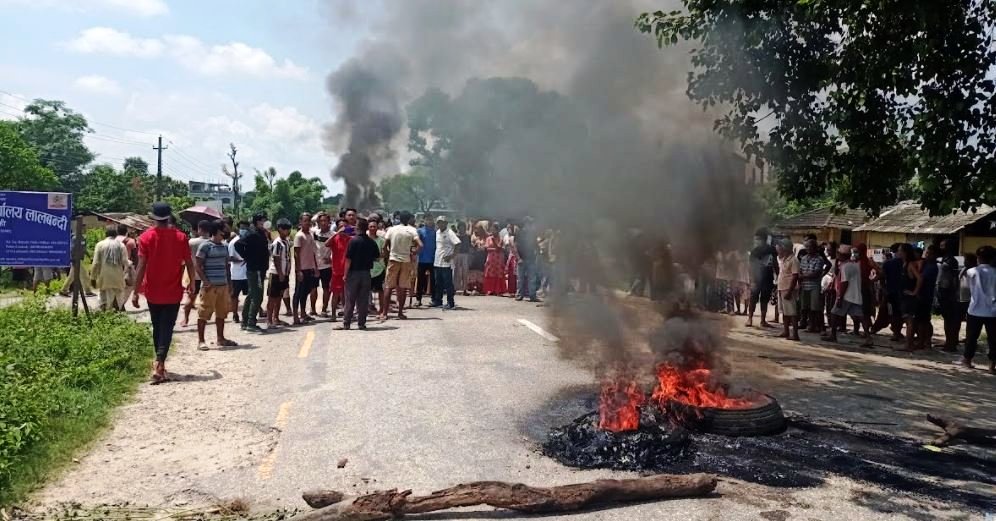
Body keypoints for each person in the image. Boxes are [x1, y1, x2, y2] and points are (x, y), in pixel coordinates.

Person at [132, 202, 196, 384]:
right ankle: (160, 362)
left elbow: (141, 266)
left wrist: (135, 292)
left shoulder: (145, 238)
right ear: (169, 216)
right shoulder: (181, 237)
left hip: (153, 291)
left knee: (157, 326)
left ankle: (159, 362)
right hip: (173, 291)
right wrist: (191, 283)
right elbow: (190, 263)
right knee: (167, 327)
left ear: (153, 217)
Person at [194, 220, 236, 350]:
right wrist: (206, 281)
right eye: (224, 228)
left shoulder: (224, 246)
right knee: (204, 313)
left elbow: (226, 266)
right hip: (210, 287)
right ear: (218, 230)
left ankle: (220, 338)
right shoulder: (205, 246)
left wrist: (229, 284)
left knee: (221, 313)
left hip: (223, 285)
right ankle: (201, 341)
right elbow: (198, 266)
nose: (227, 231)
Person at [337, 218, 381, 330]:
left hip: (353, 273)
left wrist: (345, 274)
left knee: (350, 299)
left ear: (358, 228)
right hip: (366, 274)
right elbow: (377, 257)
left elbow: (348, 260)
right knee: (363, 300)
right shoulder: (371, 242)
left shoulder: (353, 241)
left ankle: (347, 323)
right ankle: (361, 323)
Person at [825, 245, 873, 347]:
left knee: (834, 313)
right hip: (856, 295)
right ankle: (868, 337)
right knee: (860, 316)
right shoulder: (855, 264)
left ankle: (833, 335)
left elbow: (844, 283)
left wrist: (840, 297)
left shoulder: (845, 266)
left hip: (847, 295)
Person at [382, 211, 422, 320]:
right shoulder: (412, 230)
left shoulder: (392, 229)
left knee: (389, 286)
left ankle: (384, 313)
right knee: (402, 287)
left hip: (393, 259)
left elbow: (385, 246)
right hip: (406, 260)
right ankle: (400, 312)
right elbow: (420, 245)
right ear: (409, 219)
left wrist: (387, 255)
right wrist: (413, 253)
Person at [962, 246, 996, 372]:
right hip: (993, 310)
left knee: (971, 337)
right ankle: (992, 364)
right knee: (993, 339)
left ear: (978, 258)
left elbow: (965, 290)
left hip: (975, 309)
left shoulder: (971, 272)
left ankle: (967, 360)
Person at [236, 213, 269, 333]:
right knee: (257, 296)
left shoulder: (261, 233)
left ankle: (245, 322)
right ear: (256, 222)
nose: (264, 223)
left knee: (251, 295)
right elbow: (238, 244)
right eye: (262, 221)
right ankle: (251, 323)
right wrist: (247, 257)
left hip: (259, 268)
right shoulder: (252, 233)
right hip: (256, 269)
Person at [90, 224, 129, 311]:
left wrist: (93, 277)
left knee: (104, 299)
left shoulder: (100, 245)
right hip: (118, 277)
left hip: (104, 277)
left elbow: (95, 263)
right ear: (116, 235)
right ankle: (118, 315)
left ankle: (106, 316)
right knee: (119, 298)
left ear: (106, 234)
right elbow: (125, 262)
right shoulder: (121, 245)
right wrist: (124, 274)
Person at [181, 220, 211, 327]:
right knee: (209, 299)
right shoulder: (212, 242)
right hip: (209, 276)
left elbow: (184, 259)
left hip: (195, 275)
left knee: (191, 298)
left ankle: (186, 319)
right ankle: (205, 319)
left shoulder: (191, 242)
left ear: (199, 229)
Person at [292, 212, 319, 325]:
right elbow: (296, 254)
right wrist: (298, 271)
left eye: (309, 221)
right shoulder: (299, 236)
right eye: (305, 221)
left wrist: (315, 267)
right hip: (302, 268)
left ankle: (303, 313)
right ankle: (295, 316)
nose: (307, 223)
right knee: (298, 292)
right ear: (300, 222)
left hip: (310, 268)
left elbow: (312, 252)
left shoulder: (310, 235)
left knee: (305, 292)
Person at [875, 243, 906, 341]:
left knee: (893, 313)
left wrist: (884, 289)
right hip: (902, 292)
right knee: (899, 313)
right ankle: (896, 331)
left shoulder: (889, 263)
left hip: (891, 292)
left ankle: (895, 332)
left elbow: (881, 277)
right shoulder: (905, 263)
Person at [746, 230, 777, 328]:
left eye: (758, 239)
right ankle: (749, 318)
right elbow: (750, 266)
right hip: (756, 278)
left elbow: (775, 263)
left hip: (768, 278)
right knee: (753, 298)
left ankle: (763, 320)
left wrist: (778, 275)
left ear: (763, 239)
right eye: (756, 239)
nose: (756, 241)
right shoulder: (754, 251)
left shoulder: (772, 249)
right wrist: (751, 279)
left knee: (765, 299)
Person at [266, 219, 293, 328]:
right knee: (272, 298)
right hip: (276, 273)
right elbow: (276, 259)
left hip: (284, 273)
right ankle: (269, 320)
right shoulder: (277, 242)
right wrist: (281, 273)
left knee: (279, 297)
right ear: (280, 229)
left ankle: (276, 318)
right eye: (285, 229)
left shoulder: (285, 241)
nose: (288, 231)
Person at [431, 215, 461, 309]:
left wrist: (452, 256)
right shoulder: (437, 232)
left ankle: (450, 302)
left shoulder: (450, 233)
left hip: (446, 262)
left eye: (442, 222)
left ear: (446, 223)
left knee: (448, 283)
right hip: (437, 261)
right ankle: (438, 301)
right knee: (438, 283)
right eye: (439, 222)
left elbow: (458, 244)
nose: (440, 224)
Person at [937, 239, 962, 352]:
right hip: (943, 291)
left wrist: (954, 293)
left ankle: (951, 344)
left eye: (943, 246)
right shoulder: (944, 259)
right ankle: (948, 342)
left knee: (950, 320)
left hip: (948, 293)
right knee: (947, 319)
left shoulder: (952, 261)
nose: (941, 247)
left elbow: (954, 278)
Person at [798, 239, 828, 333]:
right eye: (807, 247)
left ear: (815, 248)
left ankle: (816, 326)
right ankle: (808, 324)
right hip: (804, 286)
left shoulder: (819, 259)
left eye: (810, 247)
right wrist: (803, 276)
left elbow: (815, 273)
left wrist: (803, 276)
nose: (808, 249)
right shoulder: (803, 258)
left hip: (814, 286)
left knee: (815, 308)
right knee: (805, 307)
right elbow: (801, 271)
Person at [325, 218, 352, 321]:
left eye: (345, 226)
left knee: (346, 294)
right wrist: (336, 234)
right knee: (335, 293)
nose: (343, 228)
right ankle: (333, 314)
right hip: (336, 271)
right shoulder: (335, 239)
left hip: (347, 271)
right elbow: (326, 244)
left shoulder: (350, 239)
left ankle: (346, 313)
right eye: (341, 226)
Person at [915, 245, 940, 349]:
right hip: (925, 295)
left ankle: (922, 342)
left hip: (925, 295)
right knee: (924, 320)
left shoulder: (932, 267)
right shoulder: (927, 265)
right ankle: (926, 341)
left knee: (922, 321)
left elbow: (922, 278)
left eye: (929, 253)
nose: (926, 255)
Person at [776, 238, 800, 341]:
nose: (779, 249)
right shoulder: (783, 259)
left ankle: (795, 334)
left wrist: (790, 291)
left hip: (788, 289)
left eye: (781, 247)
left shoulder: (794, 260)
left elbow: (795, 276)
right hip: (782, 287)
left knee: (792, 312)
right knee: (785, 312)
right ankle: (786, 331)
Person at [514, 217, 541, 302]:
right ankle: (519, 295)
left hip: (531, 258)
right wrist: (518, 258)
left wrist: (536, 256)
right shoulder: (519, 234)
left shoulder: (533, 235)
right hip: (522, 258)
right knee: (520, 279)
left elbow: (536, 247)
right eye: (530, 224)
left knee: (532, 278)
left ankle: (532, 295)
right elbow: (515, 246)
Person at [314, 212, 335, 317]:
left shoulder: (333, 235)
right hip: (314, 265)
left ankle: (324, 309)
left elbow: (337, 251)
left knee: (326, 288)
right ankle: (313, 310)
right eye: (321, 221)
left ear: (329, 222)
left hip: (327, 266)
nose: (323, 223)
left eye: (325, 221)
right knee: (313, 288)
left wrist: (331, 260)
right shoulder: (315, 233)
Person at [228, 220, 249, 324]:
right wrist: (241, 260)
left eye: (246, 228)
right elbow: (230, 258)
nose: (244, 230)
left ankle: (247, 314)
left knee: (250, 295)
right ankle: (235, 314)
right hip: (236, 274)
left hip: (247, 273)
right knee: (234, 295)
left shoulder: (249, 240)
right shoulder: (233, 242)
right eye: (242, 228)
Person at [415, 214, 437, 306]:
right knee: (420, 280)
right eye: (427, 220)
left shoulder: (436, 232)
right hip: (422, 259)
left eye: (431, 219)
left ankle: (434, 299)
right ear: (424, 221)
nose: (429, 221)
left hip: (433, 259)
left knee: (433, 280)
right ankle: (418, 299)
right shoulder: (420, 231)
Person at [116, 224, 138, 311]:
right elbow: (135, 255)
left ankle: (118, 304)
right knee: (129, 286)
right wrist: (136, 268)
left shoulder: (114, 240)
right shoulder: (131, 241)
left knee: (117, 286)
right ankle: (120, 304)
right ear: (126, 231)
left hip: (115, 266)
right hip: (127, 266)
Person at [369, 215, 388, 316]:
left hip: (379, 269)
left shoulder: (381, 240)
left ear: (377, 228)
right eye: (371, 226)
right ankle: (368, 309)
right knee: (366, 291)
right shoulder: (365, 239)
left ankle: (381, 310)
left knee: (380, 290)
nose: (372, 228)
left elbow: (384, 254)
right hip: (368, 269)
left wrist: (375, 257)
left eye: (374, 226)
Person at [483, 223, 506, 296]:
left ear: (498, 230)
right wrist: (494, 248)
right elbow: (487, 248)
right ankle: (490, 289)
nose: (492, 232)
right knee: (490, 272)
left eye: (494, 230)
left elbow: (499, 248)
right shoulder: (488, 238)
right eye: (491, 230)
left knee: (498, 273)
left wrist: (494, 242)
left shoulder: (501, 238)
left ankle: (498, 290)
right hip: (490, 258)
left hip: (498, 258)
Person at [453, 221, 471, 296]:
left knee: (465, 272)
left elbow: (469, 245)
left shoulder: (467, 236)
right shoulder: (455, 235)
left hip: (465, 254)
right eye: (460, 227)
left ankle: (465, 289)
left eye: (463, 227)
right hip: (457, 254)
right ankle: (455, 288)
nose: (461, 228)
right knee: (456, 271)